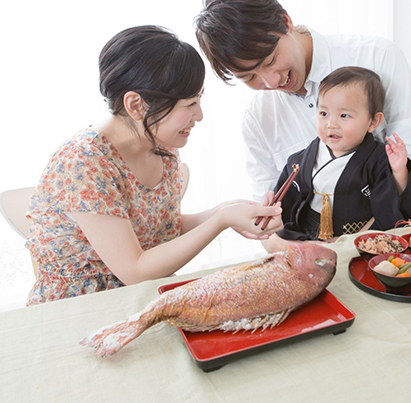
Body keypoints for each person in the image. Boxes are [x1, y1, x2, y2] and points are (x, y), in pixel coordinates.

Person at [25, 26, 283, 305]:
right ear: (136, 105)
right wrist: (221, 221)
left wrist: (228, 211)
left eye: (199, 100)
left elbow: (158, 229)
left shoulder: (161, 147)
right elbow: (135, 270)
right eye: (189, 104)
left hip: (143, 298)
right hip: (80, 309)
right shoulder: (83, 163)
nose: (199, 115)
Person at [194, 0, 411, 247]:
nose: (270, 81)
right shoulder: (259, 119)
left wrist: (355, 246)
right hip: (308, 260)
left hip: (398, 242)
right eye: (249, 77)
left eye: (270, 60)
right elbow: (270, 227)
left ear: (286, 22)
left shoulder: (377, 57)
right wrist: (314, 255)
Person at [272, 67, 411, 245]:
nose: (331, 124)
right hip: (308, 236)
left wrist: (399, 171)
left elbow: (392, 204)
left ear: (373, 122)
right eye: (324, 113)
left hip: (355, 239)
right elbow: (286, 204)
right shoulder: (300, 160)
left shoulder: (378, 160)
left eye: (344, 115)